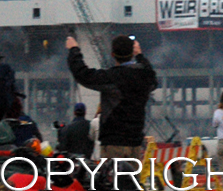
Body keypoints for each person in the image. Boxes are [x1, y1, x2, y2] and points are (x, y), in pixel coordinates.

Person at [67, 34, 157, 162]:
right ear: (132, 52)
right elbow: (152, 77)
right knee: (131, 180)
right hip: (135, 143)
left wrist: (74, 50)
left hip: (114, 142)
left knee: (113, 180)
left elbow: (83, 75)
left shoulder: (112, 77)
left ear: (112, 54)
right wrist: (140, 56)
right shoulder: (144, 76)